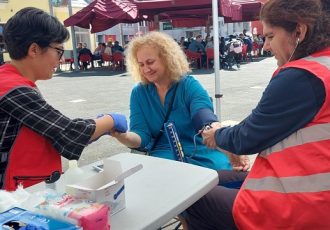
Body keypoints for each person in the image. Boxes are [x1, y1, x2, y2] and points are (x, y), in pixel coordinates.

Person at [186, 0, 330, 229]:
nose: (265, 47)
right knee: (207, 180)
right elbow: (266, 123)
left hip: (301, 204)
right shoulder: (324, 65)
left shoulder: (302, 76)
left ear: (299, 31)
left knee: (192, 196)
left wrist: (216, 135)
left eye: (270, 36)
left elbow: (246, 138)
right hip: (312, 184)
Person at [0, 7, 128, 191]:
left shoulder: (8, 80)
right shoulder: (12, 89)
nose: (60, 59)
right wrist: (110, 120)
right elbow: (68, 133)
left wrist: (97, 129)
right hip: (10, 201)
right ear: (34, 49)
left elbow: (50, 128)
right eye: (59, 51)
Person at [112, 31, 233, 170]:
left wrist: (213, 129)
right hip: (163, 154)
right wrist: (122, 136)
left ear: (167, 59)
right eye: (141, 64)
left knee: (222, 169)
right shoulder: (139, 92)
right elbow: (141, 135)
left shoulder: (188, 85)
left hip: (199, 150)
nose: (146, 69)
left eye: (150, 62)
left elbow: (202, 113)